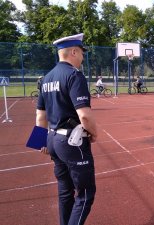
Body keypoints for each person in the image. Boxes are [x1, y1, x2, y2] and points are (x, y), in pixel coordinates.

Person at [36, 33, 97, 225]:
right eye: (81, 53)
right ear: (73, 51)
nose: (82, 57)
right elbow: (85, 115)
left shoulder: (46, 78)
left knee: (65, 192)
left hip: (52, 140)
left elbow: (40, 115)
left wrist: (39, 142)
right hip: (72, 142)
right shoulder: (74, 75)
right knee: (86, 194)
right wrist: (94, 133)